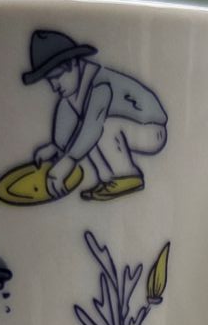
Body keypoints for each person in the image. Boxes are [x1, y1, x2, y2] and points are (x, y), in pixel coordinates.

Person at [23, 29, 168, 202]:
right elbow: (68, 131)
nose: (54, 86)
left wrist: (67, 163)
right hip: (117, 132)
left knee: (97, 129)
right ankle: (108, 180)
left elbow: (93, 125)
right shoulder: (70, 94)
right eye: (49, 80)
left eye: (56, 77)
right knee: (85, 135)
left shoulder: (100, 84)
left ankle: (127, 175)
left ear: (72, 64)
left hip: (150, 130)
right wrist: (57, 149)